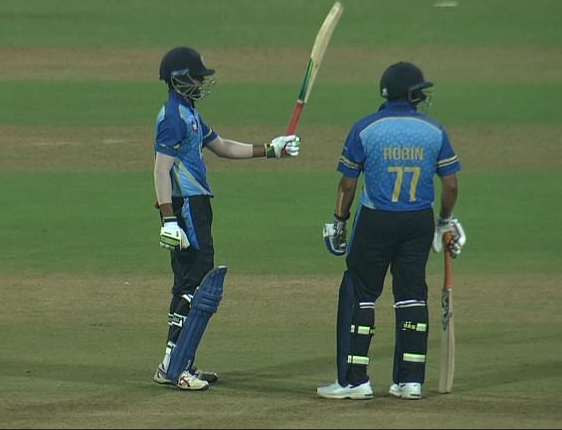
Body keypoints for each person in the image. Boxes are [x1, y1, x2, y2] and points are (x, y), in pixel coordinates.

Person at [152, 46, 301, 391]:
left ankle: (173, 364)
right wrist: (169, 219)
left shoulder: (188, 113)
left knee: (191, 283)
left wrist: (270, 149)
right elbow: (161, 170)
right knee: (195, 286)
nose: (202, 82)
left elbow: (221, 146)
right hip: (185, 205)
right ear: (179, 80)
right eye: (197, 77)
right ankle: (178, 368)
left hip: (197, 204)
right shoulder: (172, 117)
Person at [317, 61, 466, 400]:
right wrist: (444, 220)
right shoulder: (434, 130)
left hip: (376, 220)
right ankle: (410, 381)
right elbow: (452, 185)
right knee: (411, 294)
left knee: (361, 293)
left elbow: (348, 183)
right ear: (410, 94)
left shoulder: (365, 128)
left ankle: (355, 381)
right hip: (418, 220)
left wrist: (339, 221)